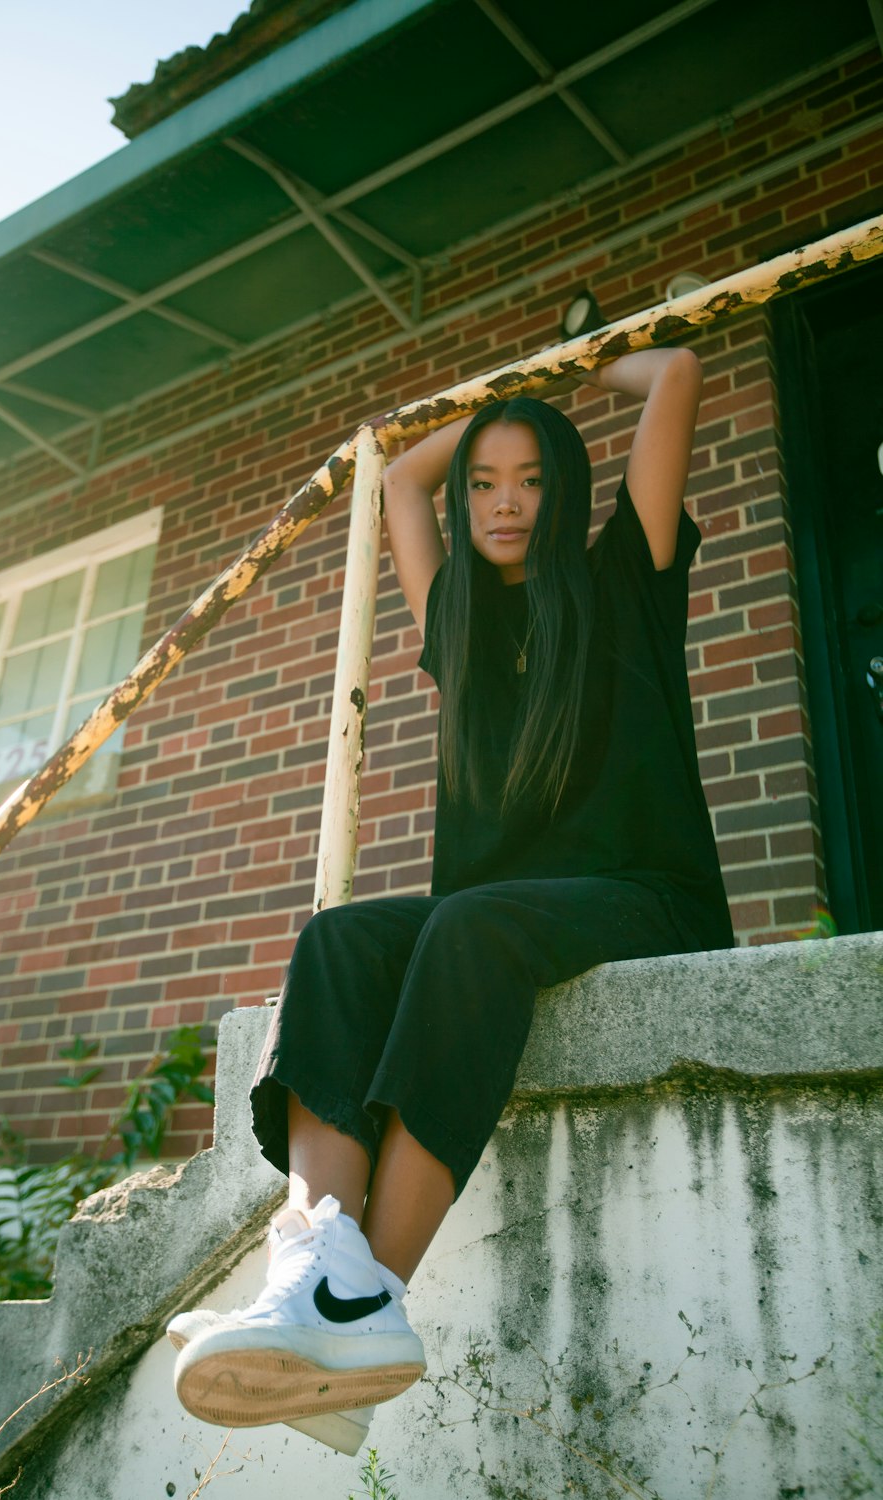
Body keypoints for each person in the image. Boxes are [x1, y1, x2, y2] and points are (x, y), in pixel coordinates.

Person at [166, 345, 733, 1455]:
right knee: (338, 939)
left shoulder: (629, 574)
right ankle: (318, 1275)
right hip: (499, 918)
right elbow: (396, 481)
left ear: (566, 489)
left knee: (468, 925)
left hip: (640, 896)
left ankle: (363, 1306)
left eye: (529, 478)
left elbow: (677, 376)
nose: (504, 501)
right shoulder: (460, 621)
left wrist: (571, 373)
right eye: (484, 481)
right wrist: (490, 421)